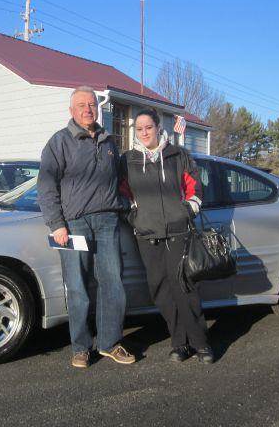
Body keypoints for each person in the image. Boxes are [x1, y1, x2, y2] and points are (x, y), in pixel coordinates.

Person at [37, 86, 135, 369]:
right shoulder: (59, 142)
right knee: (78, 287)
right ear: (71, 111)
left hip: (107, 221)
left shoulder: (109, 143)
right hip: (74, 223)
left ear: (97, 108)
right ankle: (80, 347)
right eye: (81, 105)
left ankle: (109, 343)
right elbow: (46, 187)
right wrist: (57, 224)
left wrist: (127, 206)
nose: (87, 109)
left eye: (91, 104)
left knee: (112, 283)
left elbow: (120, 181)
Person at [119, 109, 215, 363]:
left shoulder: (177, 155)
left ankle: (201, 344)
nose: (144, 132)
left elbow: (195, 187)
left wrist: (187, 211)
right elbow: (122, 194)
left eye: (148, 127)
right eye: (139, 129)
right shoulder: (128, 160)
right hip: (147, 235)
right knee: (160, 290)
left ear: (157, 127)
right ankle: (179, 343)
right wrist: (134, 217)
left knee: (183, 287)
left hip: (177, 232)